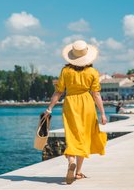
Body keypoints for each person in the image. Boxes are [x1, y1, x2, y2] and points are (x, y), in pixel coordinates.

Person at [44, 40, 107, 184]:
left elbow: (58, 92)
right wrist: (103, 113)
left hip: (70, 104)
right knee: (83, 137)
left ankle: (71, 160)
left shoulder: (65, 71)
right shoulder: (92, 72)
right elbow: (96, 94)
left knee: (72, 134)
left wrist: (49, 108)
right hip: (87, 104)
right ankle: (78, 172)